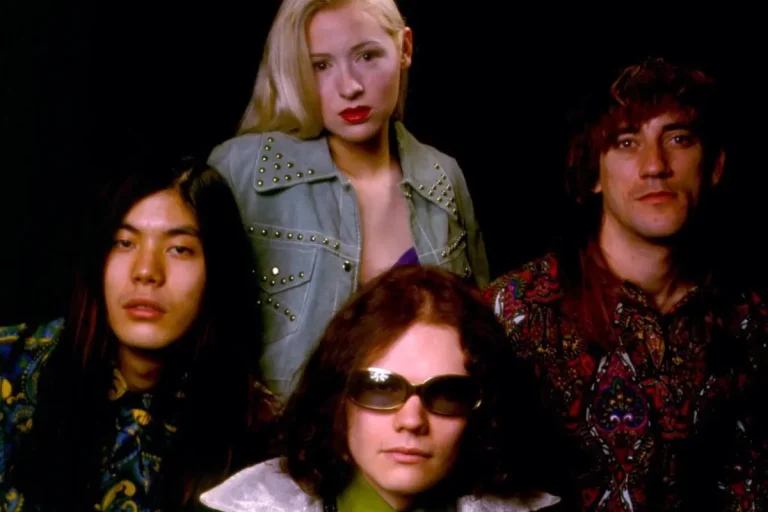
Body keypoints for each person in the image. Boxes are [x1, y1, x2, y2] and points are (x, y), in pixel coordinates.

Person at [484, 57, 768, 511]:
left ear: (713, 166)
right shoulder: (514, 311)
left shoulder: (748, 320)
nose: (655, 165)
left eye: (678, 139)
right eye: (626, 142)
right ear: (593, 173)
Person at [207, 0, 489, 397]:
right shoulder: (246, 170)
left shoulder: (443, 176)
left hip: (414, 440)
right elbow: (203, 335)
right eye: (320, 65)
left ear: (405, 48)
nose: (350, 86)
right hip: (283, 445)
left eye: (368, 56)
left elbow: (480, 342)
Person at [0, 154, 278, 511]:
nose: (146, 271)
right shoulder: (13, 364)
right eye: (124, 242)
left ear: (218, 272)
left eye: (179, 249)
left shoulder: (257, 430)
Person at [198, 265, 567, 512]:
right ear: (337, 400)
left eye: (447, 394)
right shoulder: (251, 505)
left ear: (481, 414)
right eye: (380, 387)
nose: (411, 421)